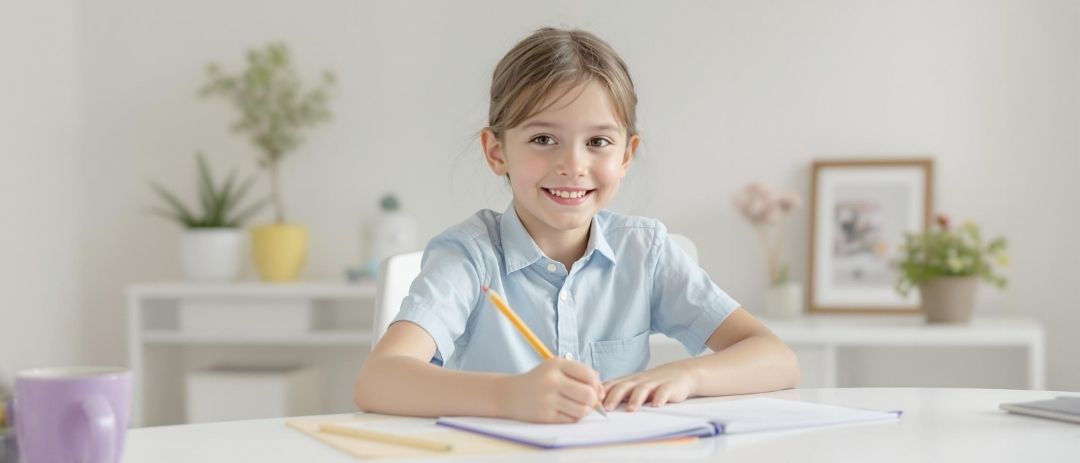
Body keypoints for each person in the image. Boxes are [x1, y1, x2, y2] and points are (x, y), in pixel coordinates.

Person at [354, 27, 799, 424]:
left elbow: (776, 358)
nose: (573, 164)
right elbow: (379, 380)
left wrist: (687, 375)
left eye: (598, 142)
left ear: (626, 155)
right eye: (543, 139)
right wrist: (510, 396)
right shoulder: (469, 256)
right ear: (496, 151)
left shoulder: (645, 252)